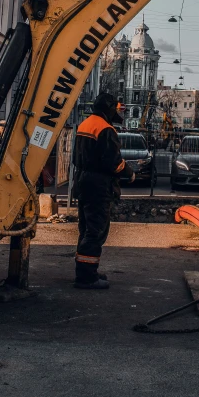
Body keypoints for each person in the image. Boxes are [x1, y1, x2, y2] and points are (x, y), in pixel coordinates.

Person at [73, 92, 134, 289]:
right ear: (108, 109)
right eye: (115, 108)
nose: (117, 112)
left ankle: (85, 271)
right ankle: (87, 278)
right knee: (96, 231)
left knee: (86, 230)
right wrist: (129, 172)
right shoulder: (106, 129)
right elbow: (113, 162)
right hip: (98, 185)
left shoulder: (86, 124)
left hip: (82, 180)